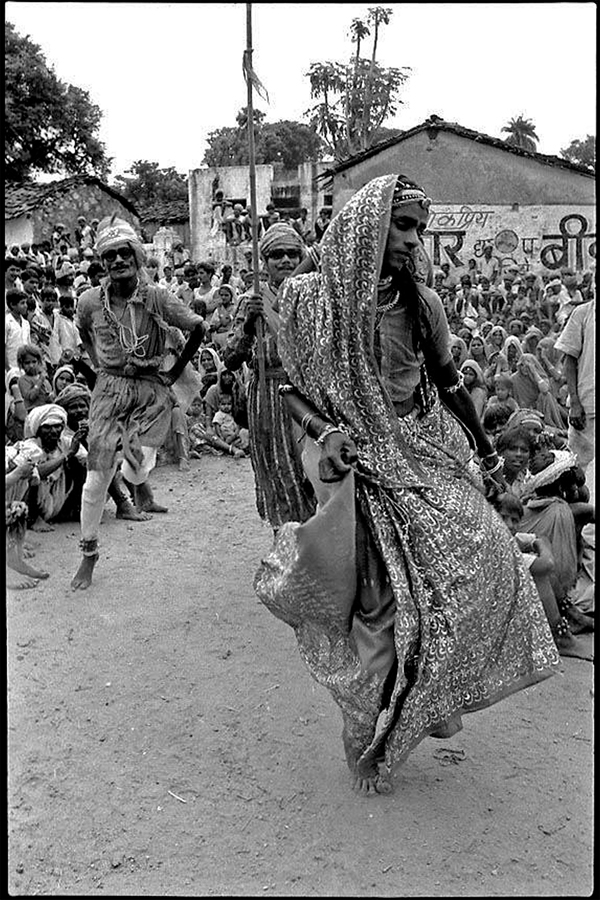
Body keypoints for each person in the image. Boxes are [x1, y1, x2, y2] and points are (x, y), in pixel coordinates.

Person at [254, 173, 559, 795]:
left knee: (484, 555)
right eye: (403, 224)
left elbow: (448, 385)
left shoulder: (422, 304)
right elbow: (289, 387)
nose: (413, 239)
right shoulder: (313, 301)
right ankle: (368, 742)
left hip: (420, 449)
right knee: (378, 605)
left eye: (419, 227)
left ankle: (433, 693)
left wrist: (486, 459)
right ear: (368, 223)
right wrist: (327, 431)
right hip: (351, 459)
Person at [70, 216, 205, 590]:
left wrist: (173, 373)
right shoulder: (89, 301)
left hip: (150, 392)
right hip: (108, 392)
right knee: (95, 481)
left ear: (136, 256)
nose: (117, 261)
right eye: (109, 256)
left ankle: (139, 488)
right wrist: (101, 367)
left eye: (123, 253)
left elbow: (198, 328)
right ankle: (89, 554)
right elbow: (84, 334)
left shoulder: (158, 297)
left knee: (135, 463)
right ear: (102, 262)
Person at [223, 223, 318, 533]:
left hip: (305, 393)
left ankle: (314, 544)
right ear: (264, 261)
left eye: (293, 253)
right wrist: (250, 324)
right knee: (276, 471)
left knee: (311, 470)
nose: (287, 261)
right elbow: (231, 358)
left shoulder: (313, 296)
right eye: (277, 255)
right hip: (266, 394)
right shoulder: (250, 300)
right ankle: (284, 541)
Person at [494, 492, 591, 660]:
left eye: (515, 520)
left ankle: (570, 617)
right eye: (503, 518)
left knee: (541, 566)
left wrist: (537, 545)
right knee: (541, 572)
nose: (509, 525)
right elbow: (546, 563)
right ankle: (560, 634)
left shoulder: (512, 537)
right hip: (491, 601)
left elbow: (542, 539)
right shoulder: (496, 545)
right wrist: (539, 549)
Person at [554, 297, 595, 479]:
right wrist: (576, 402)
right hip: (588, 406)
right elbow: (569, 360)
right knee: (579, 471)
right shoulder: (584, 313)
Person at [16, 344, 54, 412]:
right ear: (22, 364)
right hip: (34, 412)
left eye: (34, 362)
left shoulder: (43, 378)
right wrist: (40, 381)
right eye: (27, 363)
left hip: (47, 410)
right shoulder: (23, 380)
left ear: (39, 362)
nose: (31, 365)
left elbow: (50, 395)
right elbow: (31, 397)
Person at [5, 289, 31, 369]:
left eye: (26, 303)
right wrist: (8, 368)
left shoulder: (26, 323)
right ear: (12, 305)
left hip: (24, 368)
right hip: (10, 367)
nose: (26, 306)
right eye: (22, 303)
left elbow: (28, 346)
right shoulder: (7, 322)